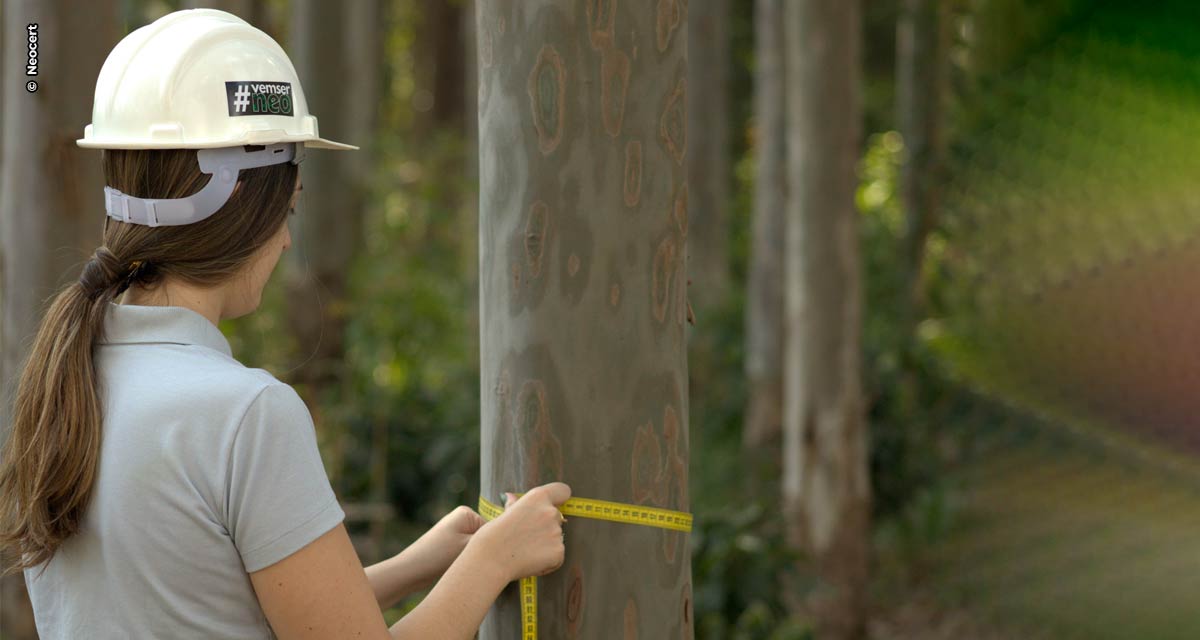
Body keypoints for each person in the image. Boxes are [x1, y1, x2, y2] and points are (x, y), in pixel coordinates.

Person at [0, 8, 569, 639]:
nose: (288, 242)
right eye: (288, 210)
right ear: (244, 201)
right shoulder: (246, 414)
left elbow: (210, 603)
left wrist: (419, 566)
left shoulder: (63, 381)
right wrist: (496, 559)